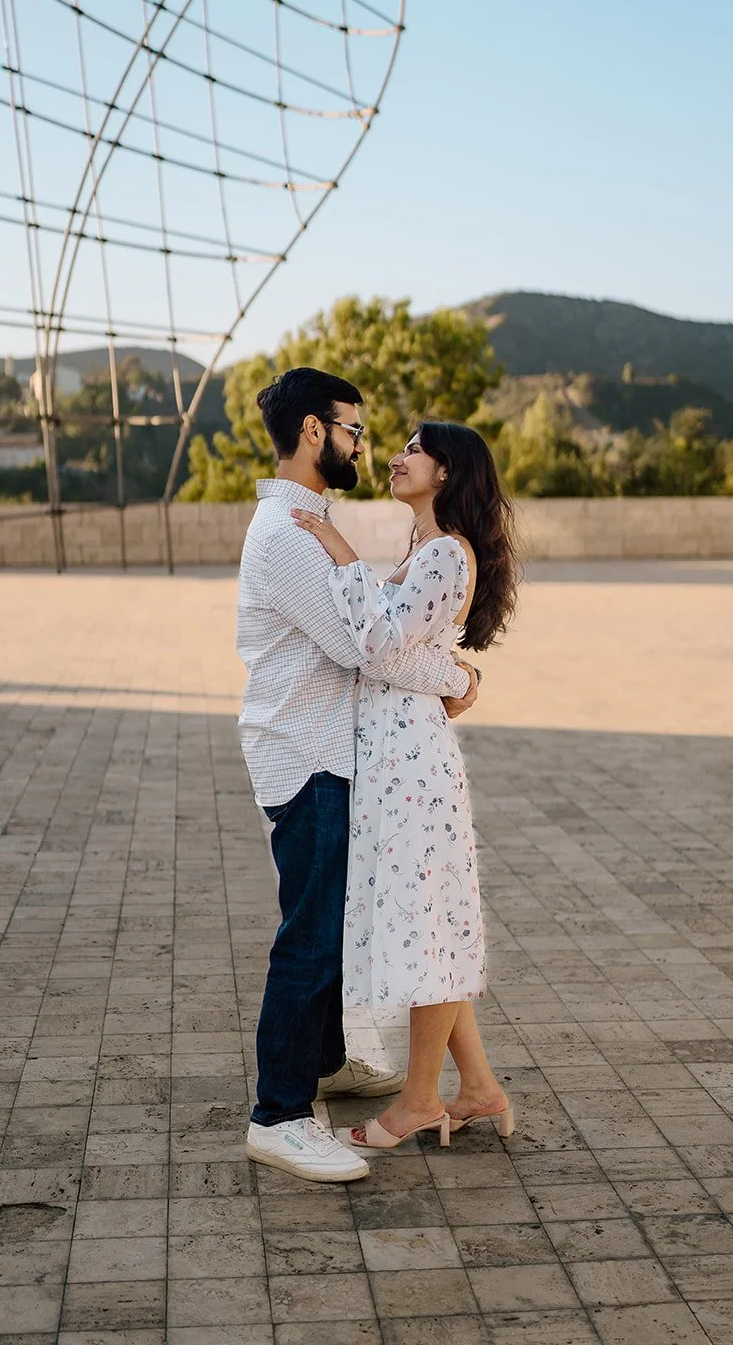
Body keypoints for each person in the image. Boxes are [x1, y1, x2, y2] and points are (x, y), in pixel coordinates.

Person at [237, 369, 480, 1184]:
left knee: (328, 928)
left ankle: (330, 1064)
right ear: (313, 431)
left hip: (325, 746)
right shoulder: (289, 534)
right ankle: (276, 1114)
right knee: (307, 938)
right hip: (304, 751)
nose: (362, 444)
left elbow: (374, 625)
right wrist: (456, 681)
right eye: (352, 428)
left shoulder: (307, 524)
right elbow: (367, 643)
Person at [291, 420, 520, 1150]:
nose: (396, 457)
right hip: (396, 758)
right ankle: (478, 1091)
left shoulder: (446, 553)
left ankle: (418, 1102)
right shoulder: (427, 551)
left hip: (412, 765)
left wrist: (342, 556)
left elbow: (381, 651)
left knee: (429, 929)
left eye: (414, 450)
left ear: (447, 472)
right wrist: (455, 674)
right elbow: (392, 649)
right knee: (432, 925)